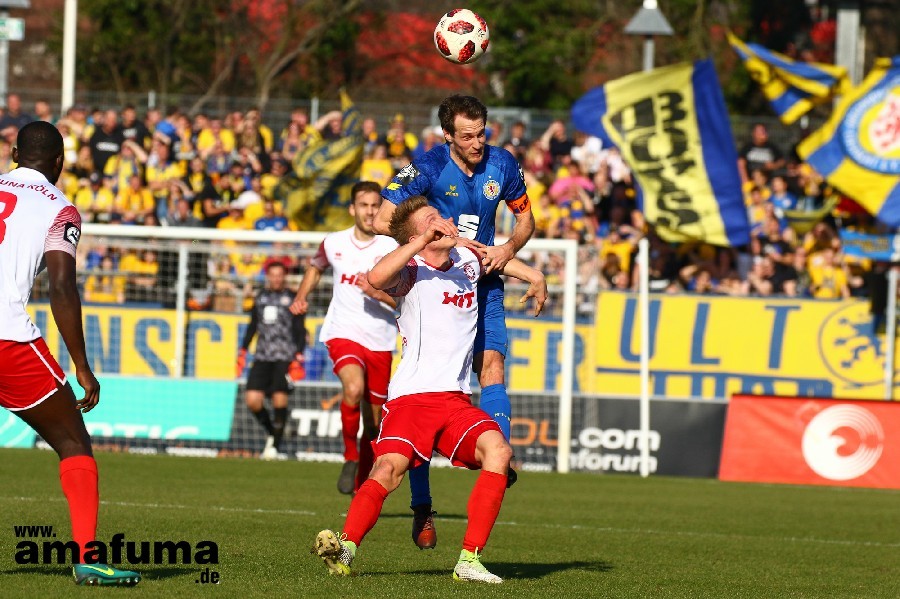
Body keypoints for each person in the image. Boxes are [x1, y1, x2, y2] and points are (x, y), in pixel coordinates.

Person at [313, 196, 546, 583]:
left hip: (455, 400)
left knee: (500, 452)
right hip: (411, 399)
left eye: (443, 216)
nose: (446, 221)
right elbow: (375, 277)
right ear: (418, 235)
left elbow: (501, 260)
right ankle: (346, 549)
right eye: (433, 219)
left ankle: (469, 561)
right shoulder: (412, 271)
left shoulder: (469, 260)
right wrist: (420, 243)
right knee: (388, 470)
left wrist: (534, 276)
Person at [374, 94, 535, 549]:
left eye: (482, 132)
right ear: (447, 135)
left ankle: (499, 465)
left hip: (484, 281)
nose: (477, 142)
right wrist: (431, 243)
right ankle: (422, 505)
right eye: (467, 135)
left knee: (493, 369)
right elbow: (386, 217)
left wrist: (507, 251)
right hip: (435, 283)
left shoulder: (502, 164)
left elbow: (526, 222)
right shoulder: (425, 168)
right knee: (428, 392)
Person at [0, 121, 140, 586]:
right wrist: (81, 364)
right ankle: (87, 558)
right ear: (60, 162)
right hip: (7, 340)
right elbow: (61, 285)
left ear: (15, 152)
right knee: (73, 443)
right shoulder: (60, 208)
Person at [290, 181, 398, 494]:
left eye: (375, 205)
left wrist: (377, 292)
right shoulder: (334, 242)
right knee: (353, 388)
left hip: (380, 338)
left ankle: (362, 483)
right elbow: (315, 267)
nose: (370, 211)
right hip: (343, 332)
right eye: (363, 205)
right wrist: (300, 297)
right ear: (352, 209)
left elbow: (404, 301)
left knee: (375, 423)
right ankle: (350, 457)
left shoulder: (392, 248)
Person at [236, 262, 307, 459]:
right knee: (252, 400)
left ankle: (275, 447)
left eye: (279, 275)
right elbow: (253, 325)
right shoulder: (260, 297)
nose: (276, 278)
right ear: (268, 276)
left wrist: (299, 355)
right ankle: (273, 432)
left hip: (285, 356)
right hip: (262, 356)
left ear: (284, 276)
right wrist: (243, 350)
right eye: (272, 275)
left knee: (279, 398)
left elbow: (300, 329)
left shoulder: (293, 298)